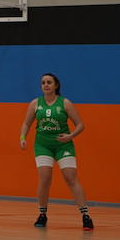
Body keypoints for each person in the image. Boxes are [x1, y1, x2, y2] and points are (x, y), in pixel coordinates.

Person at [18, 73, 92, 230]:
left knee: (70, 178)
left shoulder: (65, 103)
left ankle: (85, 215)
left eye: (49, 82)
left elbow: (80, 125)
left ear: (56, 85)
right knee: (45, 178)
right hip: (42, 145)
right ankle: (42, 214)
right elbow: (26, 123)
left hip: (63, 145)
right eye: (43, 82)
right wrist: (23, 137)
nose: (46, 85)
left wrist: (70, 136)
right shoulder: (35, 104)